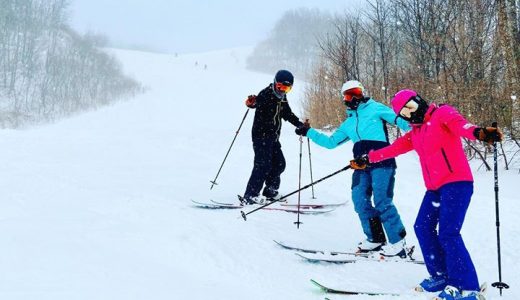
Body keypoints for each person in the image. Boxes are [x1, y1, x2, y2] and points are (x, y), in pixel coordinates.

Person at [351, 89, 503, 300]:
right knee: (422, 227)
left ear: (419, 101)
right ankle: (440, 275)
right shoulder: (416, 133)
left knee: (448, 233)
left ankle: (468, 287)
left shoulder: (442, 114)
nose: (411, 114)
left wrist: (479, 133)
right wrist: (368, 159)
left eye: (412, 107)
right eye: (405, 113)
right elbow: (392, 149)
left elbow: (462, 126)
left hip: (457, 184)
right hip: (435, 189)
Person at [295, 80, 410, 256]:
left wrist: (421, 124)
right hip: (361, 166)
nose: (354, 96)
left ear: (362, 92)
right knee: (359, 200)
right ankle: (375, 239)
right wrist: (308, 131)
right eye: (349, 94)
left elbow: (403, 122)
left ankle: (399, 242)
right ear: (345, 99)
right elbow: (330, 142)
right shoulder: (348, 123)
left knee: (382, 201)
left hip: (382, 163)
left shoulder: (376, 108)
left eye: (356, 91)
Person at [241, 70, 304, 205]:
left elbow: (287, 113)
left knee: (279, 164)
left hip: (273, 138)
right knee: (262, 165)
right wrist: (251, 103)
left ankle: (270, 190)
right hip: (261, 137)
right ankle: (250, 195)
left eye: (287, 88)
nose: (283, 90)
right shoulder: (266, 94)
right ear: (275, 83)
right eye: (281, 87)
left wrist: (299, 124)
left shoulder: (282, 98)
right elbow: (255, 103)